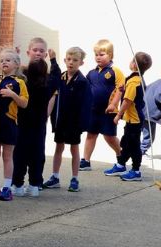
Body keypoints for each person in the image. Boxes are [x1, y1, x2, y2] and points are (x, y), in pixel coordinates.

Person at [12, 48, 60, 197]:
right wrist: (53, 60)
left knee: (19, 154)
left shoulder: (23, 84)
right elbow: (56, 76)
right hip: (39, 124)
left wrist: (17, 56)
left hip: (22, 122)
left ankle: (17, 185)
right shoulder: (48, 85)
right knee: (37, 155)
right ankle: (34, 185)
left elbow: (15, 72)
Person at [44, 47, 92, 192]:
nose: (71, 63)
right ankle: (55, 176)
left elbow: (86, 104)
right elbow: (54, 79)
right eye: (69, 60)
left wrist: (81, 124)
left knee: (74, 148)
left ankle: (74, 178)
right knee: (58, 147)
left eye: (75, 60)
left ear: (81, 63)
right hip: (61, 120)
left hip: (74, 122)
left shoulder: (82, 82)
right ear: (65, 60)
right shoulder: (62, 77)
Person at [103, 52, 152, 181]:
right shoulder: (135, 79)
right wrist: (123, 88)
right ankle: (121, 165)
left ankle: (136, 171)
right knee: (126, 142)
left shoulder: (134, 82)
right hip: (132, 119)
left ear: (134, 64)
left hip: (134, 119)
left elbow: (127, 101)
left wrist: (118, 115)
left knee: (134, 145)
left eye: (132, 60)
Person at [0, 48, 28, 202]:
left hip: (9, 122)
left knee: (7, 156)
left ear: (16, 64)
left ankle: (7, 187)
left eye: (8, 60)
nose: (4, 62)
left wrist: (12, 95)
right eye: (1, 60)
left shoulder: (19, 83)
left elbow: (24, 103)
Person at [79, 39, 125, 171]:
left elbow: (120, 89)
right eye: (96, 54)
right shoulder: (92, 73)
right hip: (93, 110)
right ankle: (86, 161)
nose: (98, 57)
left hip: (108, 111)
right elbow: (85, 88)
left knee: (109, 136)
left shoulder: (115, 71)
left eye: (102, 54)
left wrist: (113, 104)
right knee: (91, 134)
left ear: (110, 55)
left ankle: (120, 156)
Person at [141, 64, 161, 155]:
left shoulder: (156, 82)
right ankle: (141, 151)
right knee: (149, 136)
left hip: (144, 111)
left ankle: (137, 149)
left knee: (143, 131)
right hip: (150, 114)